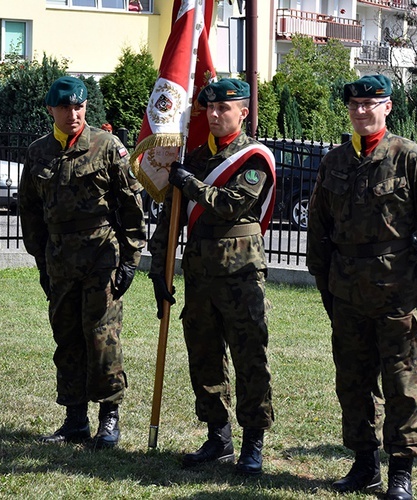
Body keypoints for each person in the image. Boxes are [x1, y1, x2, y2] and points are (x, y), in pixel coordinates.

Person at [307, 74, 417, 499]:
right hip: (347, 292)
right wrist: (323, 284)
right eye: (354, 104)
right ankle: (364, 465)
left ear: (387, 107)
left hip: (398, 292)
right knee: (353, 381)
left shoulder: (409, 157)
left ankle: (400, 474)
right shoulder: (333, 161)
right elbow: (318, 226)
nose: (361, 111)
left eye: (371, 104)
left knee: (402, 382)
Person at [149, 78, 276, 474]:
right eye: (211, 109)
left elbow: (231, 204)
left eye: (226, 108)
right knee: (204, 356)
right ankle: (218, 438)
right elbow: (170, 220)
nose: (216, 115)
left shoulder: (252, 158)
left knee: (248, 357)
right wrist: (159, 269)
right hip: (200, 273)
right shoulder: (196, 157)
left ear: (244, 112)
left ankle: (253, 442)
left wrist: (188, 183)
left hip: (240, 274)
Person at [19, 76, 147, 449]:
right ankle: (74, 418)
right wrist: (41, 261)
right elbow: (29, 210)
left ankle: (109, 416)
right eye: (64, 107)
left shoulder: (107, 146)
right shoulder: (39, 152)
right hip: (59, 259)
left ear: (85, 107)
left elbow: (132, 207)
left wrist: (130, 260)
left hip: (100, 257)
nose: (72, 114)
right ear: (51, 110)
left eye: (78, 106)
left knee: (103, 338)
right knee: (67, 337)